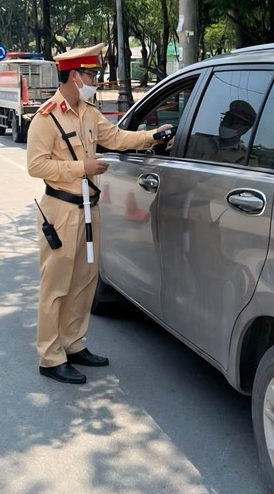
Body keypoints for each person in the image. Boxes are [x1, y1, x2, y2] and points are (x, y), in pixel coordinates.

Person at [27, 43, 171, 384]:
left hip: (90, 210)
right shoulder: (47, 117)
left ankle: (73, 344)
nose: (95, 80)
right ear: (74, 76)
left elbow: (117, 137)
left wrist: (152, 135)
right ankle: (50, 356)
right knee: (56, 286)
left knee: (84, 282)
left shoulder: (89, 112)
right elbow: (36, 165)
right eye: (91, 75)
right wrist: (83, 167)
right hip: (61, 210)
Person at [187, 99, 257, 164]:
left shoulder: (247, 159)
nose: (226, 123)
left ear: (244, 129)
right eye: (226, 117)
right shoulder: (196, 141)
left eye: (233, 120)